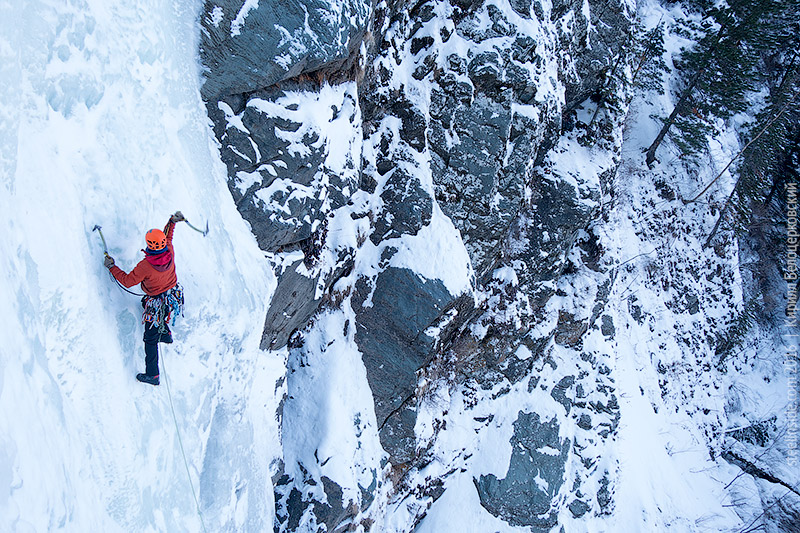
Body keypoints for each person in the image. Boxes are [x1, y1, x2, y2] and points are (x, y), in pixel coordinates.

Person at [104, 211, 185, 386]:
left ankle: (153, 375)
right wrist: (172, 221)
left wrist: (112, 267)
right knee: (159, 310)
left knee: (150, 339)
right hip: (171, 295)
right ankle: (165, 333)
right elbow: (167, 235)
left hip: (156, 300)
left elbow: (127, 280)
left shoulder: (146, 266)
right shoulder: (169, 250)